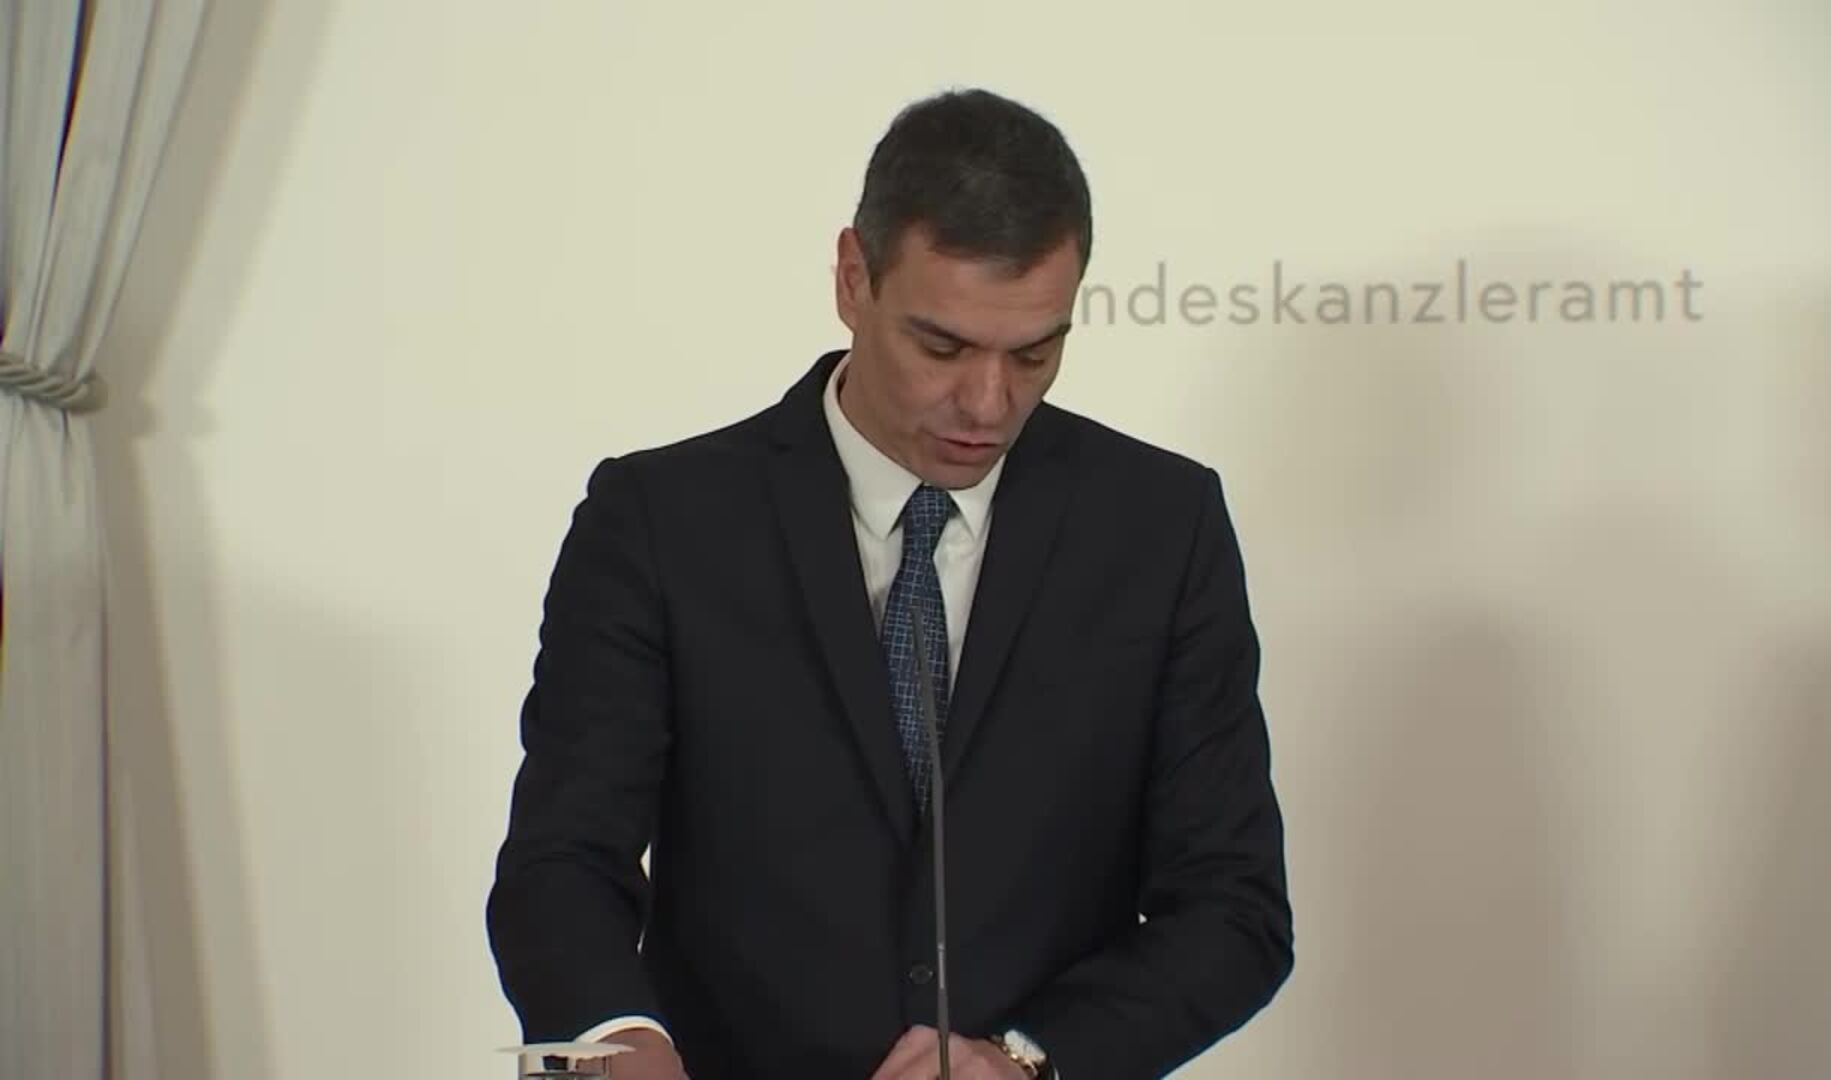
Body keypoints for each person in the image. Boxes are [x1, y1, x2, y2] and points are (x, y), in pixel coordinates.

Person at [487, 87, 1295, 1080]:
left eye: (1034, 353)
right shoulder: (661, 521)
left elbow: (1232, 908)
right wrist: (618, 1041)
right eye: (942, 347)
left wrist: (1028, 1061)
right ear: (852, 279)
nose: (988, 403)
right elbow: (563, 859)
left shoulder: (1162, 528)